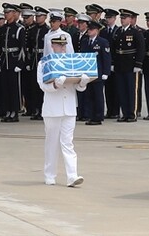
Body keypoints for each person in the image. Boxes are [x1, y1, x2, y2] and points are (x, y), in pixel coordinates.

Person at [37, 33, 90, 187]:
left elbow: (77, 87)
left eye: (63, 46)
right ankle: (50, 174)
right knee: (52, 142)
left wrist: (83, 83)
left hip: (69, 108)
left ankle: (72, 176)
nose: (62, 48)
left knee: (68, 142)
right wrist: (55, 85)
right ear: (52, 46)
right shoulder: (44, 63)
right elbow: (42, 85)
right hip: (52, 108)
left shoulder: (71, 62)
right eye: (58, 45)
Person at [80, 21, 112, 126]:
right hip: (88, 74)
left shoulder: (102, 42)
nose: (89, 31)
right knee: (89, 95)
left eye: (92, 29)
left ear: (97, 31)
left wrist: (106, 72)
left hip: (98, 73)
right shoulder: (84, 42)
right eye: (88, 29)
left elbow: (106, 58)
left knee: (98, 96)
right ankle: (90, 115)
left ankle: (98, 116)